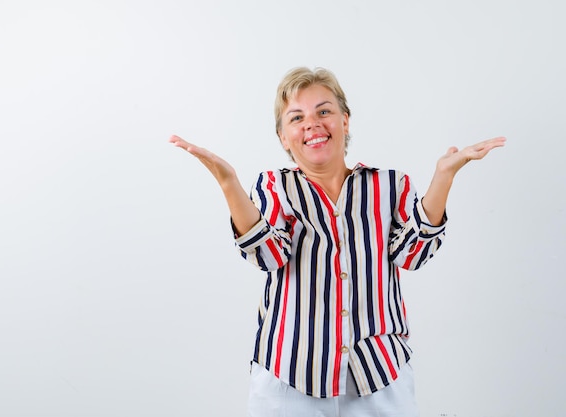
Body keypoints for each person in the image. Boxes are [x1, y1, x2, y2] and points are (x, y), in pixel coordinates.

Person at [169, 67, 505, 417]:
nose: (312, 124)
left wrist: (444, 176)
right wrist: (228, 183)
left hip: (380, 375)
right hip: (289, 377)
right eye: (296, 117)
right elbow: (267, 254)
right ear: (284, 137)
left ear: (345, 121)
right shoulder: (274, 186)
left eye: (324, 111)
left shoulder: (390, 185)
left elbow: (413, 253)